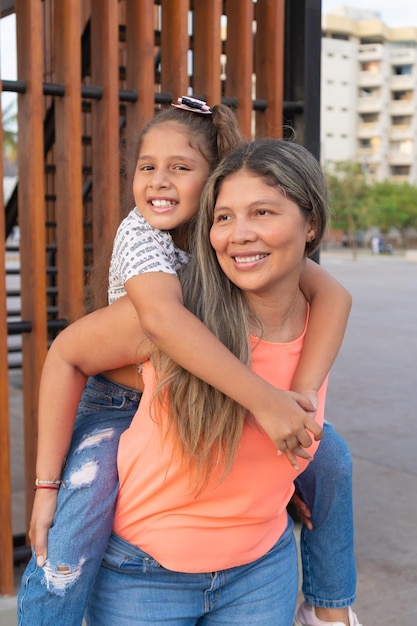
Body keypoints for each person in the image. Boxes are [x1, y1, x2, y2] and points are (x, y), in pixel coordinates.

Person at [17, 103, 357, 625]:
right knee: (76, 521)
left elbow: (333, 293)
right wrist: (45, 488)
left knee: (330, 456)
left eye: (180, 167)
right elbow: (161, 323)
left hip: (254, 566)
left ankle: (332, 608)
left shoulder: (227, 238)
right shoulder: (144, 240)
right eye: (146, 166)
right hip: (116, 398)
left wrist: (301, 399)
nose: (158, 181)